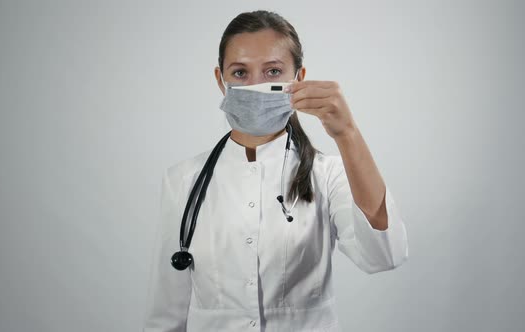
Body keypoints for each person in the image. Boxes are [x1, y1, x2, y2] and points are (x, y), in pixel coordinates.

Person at [143, 10, 409, 332]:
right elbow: (167, 314)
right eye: (240, 73)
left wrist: (347, 134)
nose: (256, 85)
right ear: (220, 80)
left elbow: (384, 255)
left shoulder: (328, 174)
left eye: (273, 71)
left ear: (298, 79)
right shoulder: (183, 181)